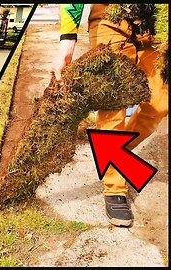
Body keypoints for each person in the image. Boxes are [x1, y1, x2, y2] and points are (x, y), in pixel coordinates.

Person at [50, 4, 168, 227]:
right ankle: (115, 187)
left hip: (153, 21)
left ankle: (112, 155)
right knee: (113, 106)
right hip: (109, 20)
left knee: (160, 104)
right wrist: (67, 41)